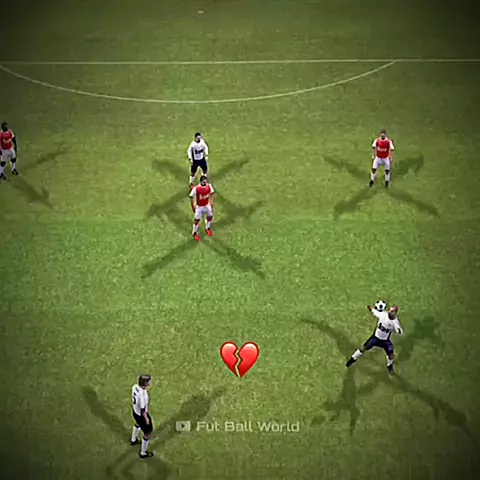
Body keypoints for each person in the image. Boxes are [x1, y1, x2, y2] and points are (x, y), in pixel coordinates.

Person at [346, 305, 403, 374]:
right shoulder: (383, 314)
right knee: (363, 348)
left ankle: (389, 366)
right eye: (390, 310)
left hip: (385, 341)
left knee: (391, 355)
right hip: (375, 338)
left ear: (395, 313)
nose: (390, 312)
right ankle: (353, 359)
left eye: (392, 311)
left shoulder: (395, 322)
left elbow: (399, 331)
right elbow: (375, 312)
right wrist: (371, 309)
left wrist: (399, 331)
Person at [131, 375, 154, 459]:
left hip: (135, 412)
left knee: (138, 424)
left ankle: (133, 440)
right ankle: (143, 453)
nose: (150, 382)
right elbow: (143, 409)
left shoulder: (135, 387)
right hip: (141, 416)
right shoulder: (142, 395)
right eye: (149, 381)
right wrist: (146, 419)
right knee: (148, 433)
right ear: (145, 383)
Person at [189, 174, 214, 242]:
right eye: (204, 182)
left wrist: (212, 203)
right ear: (200, 182)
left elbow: (212, 193)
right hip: (199, 206)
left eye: (206, 181)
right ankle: (194, 232)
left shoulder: (209, 186)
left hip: (206, 205)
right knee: (197, 220)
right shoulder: (196, 188)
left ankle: (207, 228)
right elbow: (191, 196)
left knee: (210, 216)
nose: (205, 183)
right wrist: (193, 206)